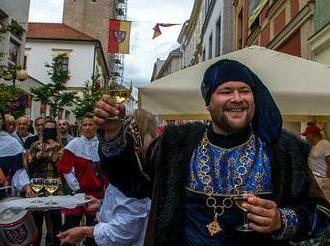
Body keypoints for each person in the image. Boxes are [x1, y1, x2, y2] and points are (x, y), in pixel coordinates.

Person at [67, 59, 330, 245]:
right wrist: (113, 134)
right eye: (226, 91)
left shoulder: (283, 150)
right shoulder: (176, 144)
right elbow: (132, 184)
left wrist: (281, 221)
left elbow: (322, 215)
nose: (237, 98)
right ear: (208, 101)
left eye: (245, 91)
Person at [58, 109, 157, 246]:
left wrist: (84, 231)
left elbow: (124, 230)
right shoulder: (129, 166)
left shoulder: (130, 169)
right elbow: (128, 206)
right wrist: (102, 203)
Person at [57, 113, 103, 246]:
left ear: (96, 126)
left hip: (96, 195)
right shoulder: (73, 144)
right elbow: (66, 170)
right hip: (76, 194)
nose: (88, 128)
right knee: (71, 228)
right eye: (85, 125)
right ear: (80, 127)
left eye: (91, 124)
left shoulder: (102, 144)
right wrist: (77, 188)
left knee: (93, 231)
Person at [26, 119, 64, 246]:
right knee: (36, 221)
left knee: (55, 221)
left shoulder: (60, 146)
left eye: (51, 129)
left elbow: (61, 167)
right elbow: (29, 165)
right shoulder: (35, 145)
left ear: (56, 130)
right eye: (46, 128)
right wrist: (40, 152)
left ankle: (54, 243)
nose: (48, 131)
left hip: (54, 185)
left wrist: (54, 149)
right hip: (37, 185)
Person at [0, 112, 34, 199]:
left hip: (3, 192)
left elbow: (18, 170)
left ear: (2, 122)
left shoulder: (12, 143)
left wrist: (26, 186)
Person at [302, 124, 330, 201]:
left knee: (326, 202)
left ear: (312, 134)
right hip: (315, 180)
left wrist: (327, 180)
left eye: (307, 135)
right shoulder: (314, 146)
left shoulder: (325, 144)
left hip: (323, 179)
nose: (306, 137)